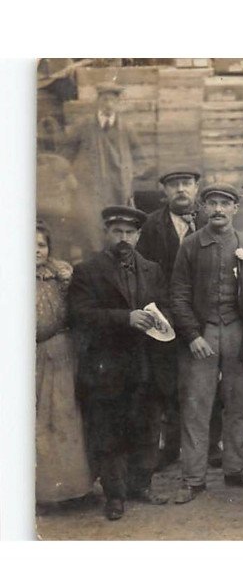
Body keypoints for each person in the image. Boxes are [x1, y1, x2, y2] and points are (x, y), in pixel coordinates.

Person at [68, 206, 172, 520]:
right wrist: (124, 318)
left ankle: (141, 485)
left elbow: (164, 306)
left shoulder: (152, 269)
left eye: (129, 232)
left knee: (147, 426)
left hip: (145, 363)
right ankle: (115, 496)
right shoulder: (88, 271)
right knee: (109, 430)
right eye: (117, 232)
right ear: (107, 233)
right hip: (107, 365)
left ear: (139, 235)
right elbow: (79, 315)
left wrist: (161, 321)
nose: (123, 238)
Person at [170, 183, 243, 503]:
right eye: (211, 203)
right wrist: (192, 335)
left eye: (224, 204)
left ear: (234, 209)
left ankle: (235, 469)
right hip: (203, 333)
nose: (217, 209)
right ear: (202, 208)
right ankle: (193, 478)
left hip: (238, 333)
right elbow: (179, 296)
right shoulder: (189, 246)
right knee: (196, 407)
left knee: (238, 404)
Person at [136, 165, 219, 469]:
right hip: (167, 317)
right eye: (174, 185)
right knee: (169, 384)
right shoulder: (151, 227)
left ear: (197, 187)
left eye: (187, 183)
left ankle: (212, 446)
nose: (181, 190)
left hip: (207, 316)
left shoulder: (211, 219)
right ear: (164, 192)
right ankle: (170, 447)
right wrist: (163, 315)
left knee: (211, 382)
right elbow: (145, 274)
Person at [35, 220, 93, 509]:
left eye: (41, 246)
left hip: (62, 352)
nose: (35, 252)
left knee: (66, 417)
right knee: (39, 421)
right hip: (31, 356)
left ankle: (73, 488)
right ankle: (42, 492)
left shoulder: (58, 275)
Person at [59, 82, 146, 252]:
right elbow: (65, 153)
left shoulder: (125, 128)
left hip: (118, 191)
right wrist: (69, 174)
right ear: (98, 101)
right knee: (91, 232)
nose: (108, 104)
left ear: (117, 104)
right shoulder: (84, 125)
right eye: (105, 99)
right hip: (90, 191)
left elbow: (141, 159)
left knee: (117, 230)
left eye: (112, 100)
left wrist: (129, 176)